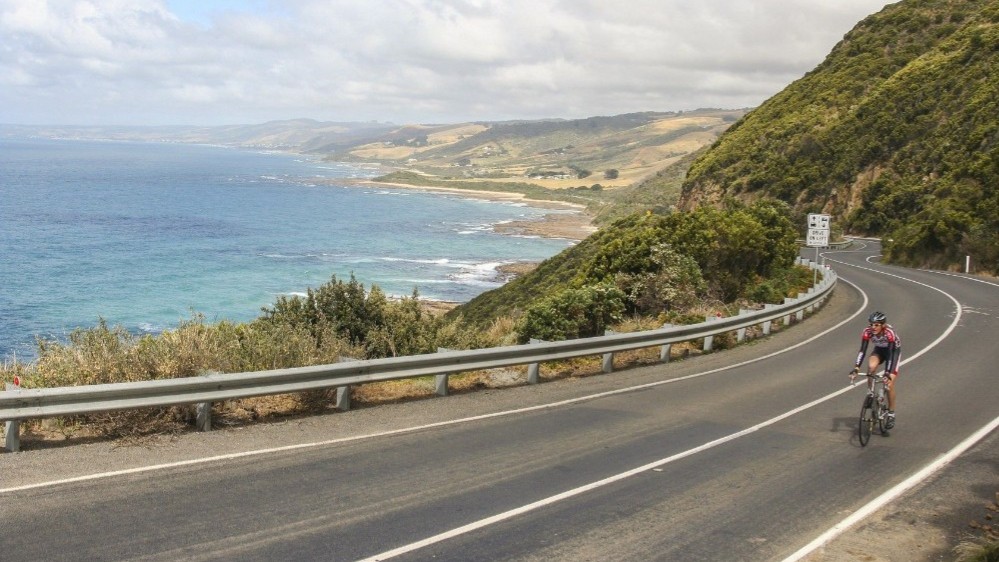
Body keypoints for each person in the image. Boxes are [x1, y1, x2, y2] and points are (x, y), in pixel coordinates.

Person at [850, 311, 902, 429]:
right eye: (871, 324)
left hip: (892, 352)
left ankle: (891, 413)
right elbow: (862, 350)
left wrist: (887, 373)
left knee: (889, 384)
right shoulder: (867, 332)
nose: (873, 327)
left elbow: (890, 354)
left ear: (883, 325)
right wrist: (856, 368)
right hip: (879, 350)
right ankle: (870, 393)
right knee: (871, 367)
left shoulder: (889, 333)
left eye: (876, 325)